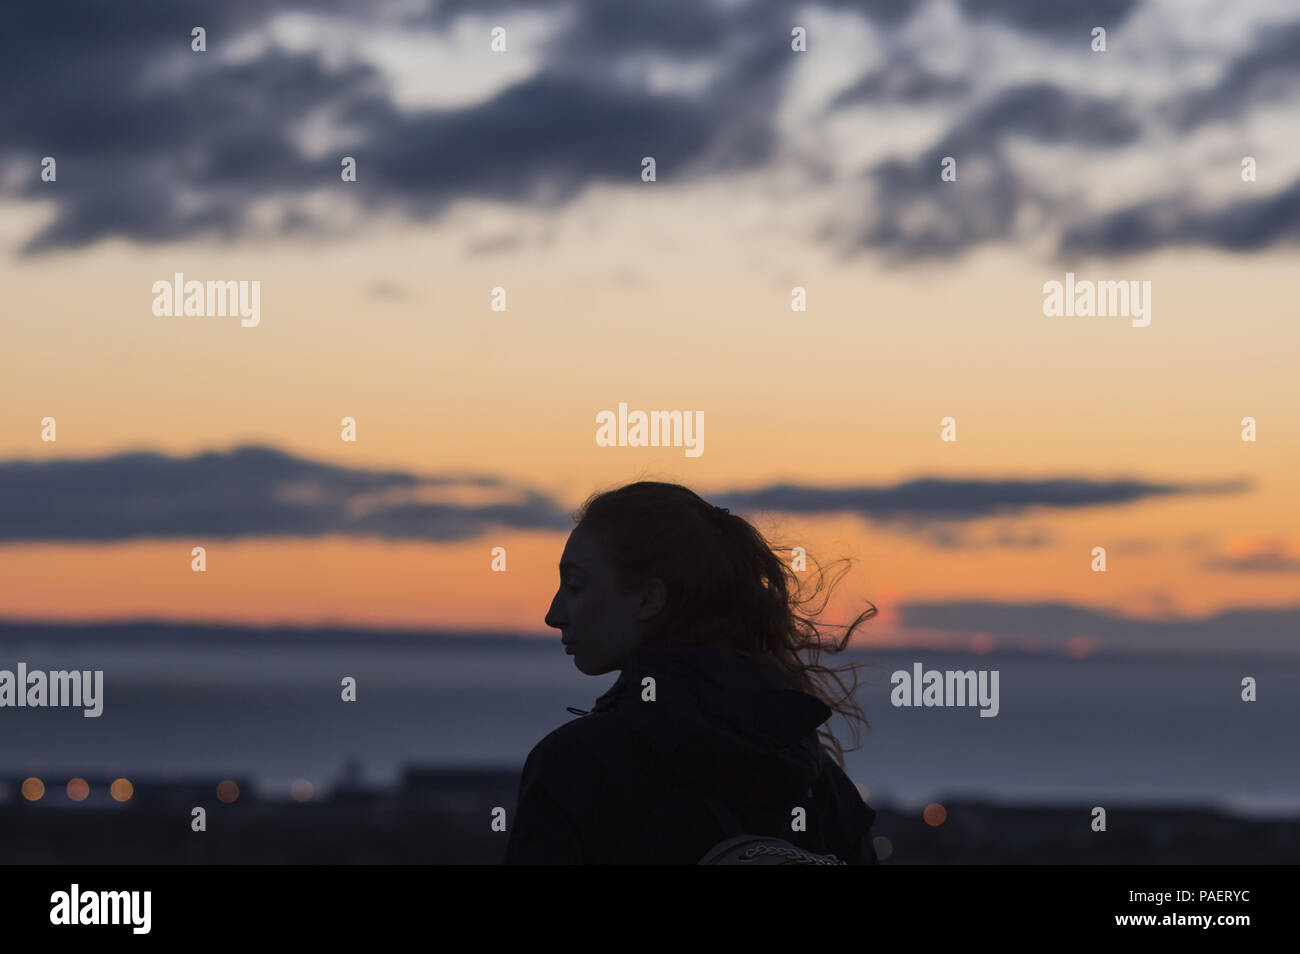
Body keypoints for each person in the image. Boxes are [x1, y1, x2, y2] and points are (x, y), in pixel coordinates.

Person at [503, 480, 880, 864]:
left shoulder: (575, 765)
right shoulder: (813, 774)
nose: (553, 614)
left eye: (574, 585)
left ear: (649, 599)